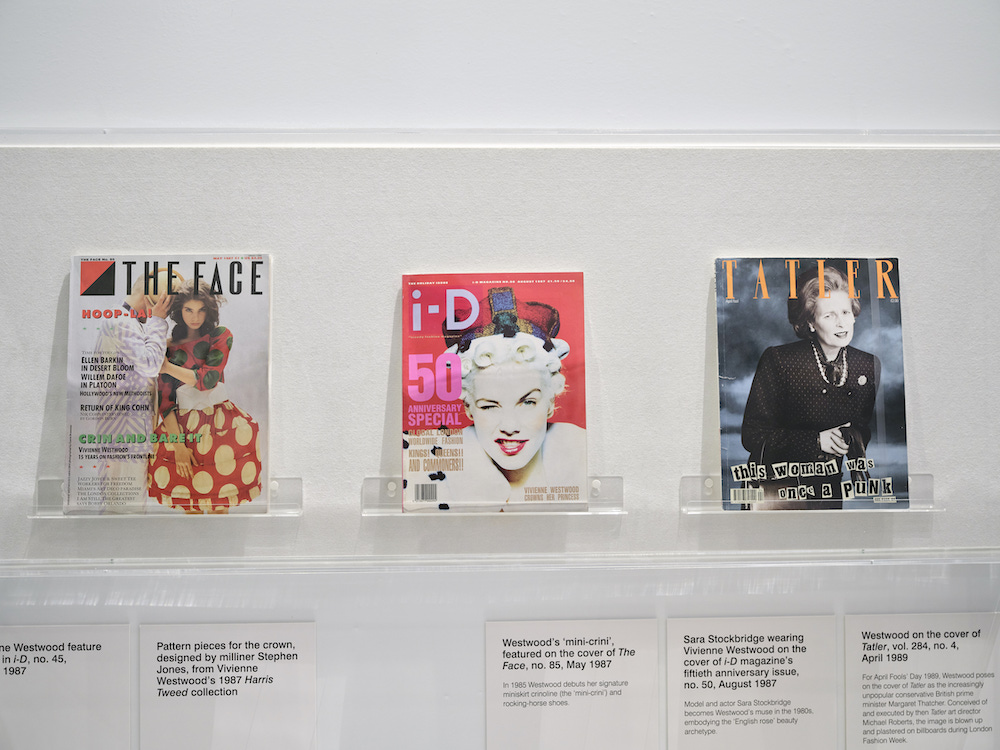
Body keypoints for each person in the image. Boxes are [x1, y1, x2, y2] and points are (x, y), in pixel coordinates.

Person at [407, 286, 586, 508]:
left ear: (550, 402)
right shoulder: (422, 468)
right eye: (490, 406)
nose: (510, 427)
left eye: (527, 402)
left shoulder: (582, 456)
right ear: (468, 407)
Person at [740, 265, 880, 509]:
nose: (841, 323)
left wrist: (852, 439)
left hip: (828, 491)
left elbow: (862, 427)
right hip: (774, 493)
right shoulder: (779, 360)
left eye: (845, 312)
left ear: (854, 314)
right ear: (811, 323)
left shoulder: (867, 365)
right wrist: (816, 441)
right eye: (829, 316)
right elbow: (752, 435)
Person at [147, 280, 262, 513]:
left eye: (201, 310)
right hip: (182, 428)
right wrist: (179, 447)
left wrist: (167, 367)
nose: (195, 317)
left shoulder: (220, 335)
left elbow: (208, 379)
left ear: (209, 311)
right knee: (190, 504)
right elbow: (166, 402)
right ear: (179, 311)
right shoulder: (168, 347)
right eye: (188, 309)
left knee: (220, 504)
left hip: (220, 423)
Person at [92, 267, 179, 512]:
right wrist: (158, 320)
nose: (168, 311)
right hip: (123, 431)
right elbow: (150, 364)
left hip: (130, 431)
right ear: (158, 299)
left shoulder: (127, 322)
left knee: (128, 507)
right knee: (121, 509)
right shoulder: (120, 322)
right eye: (168, 304)